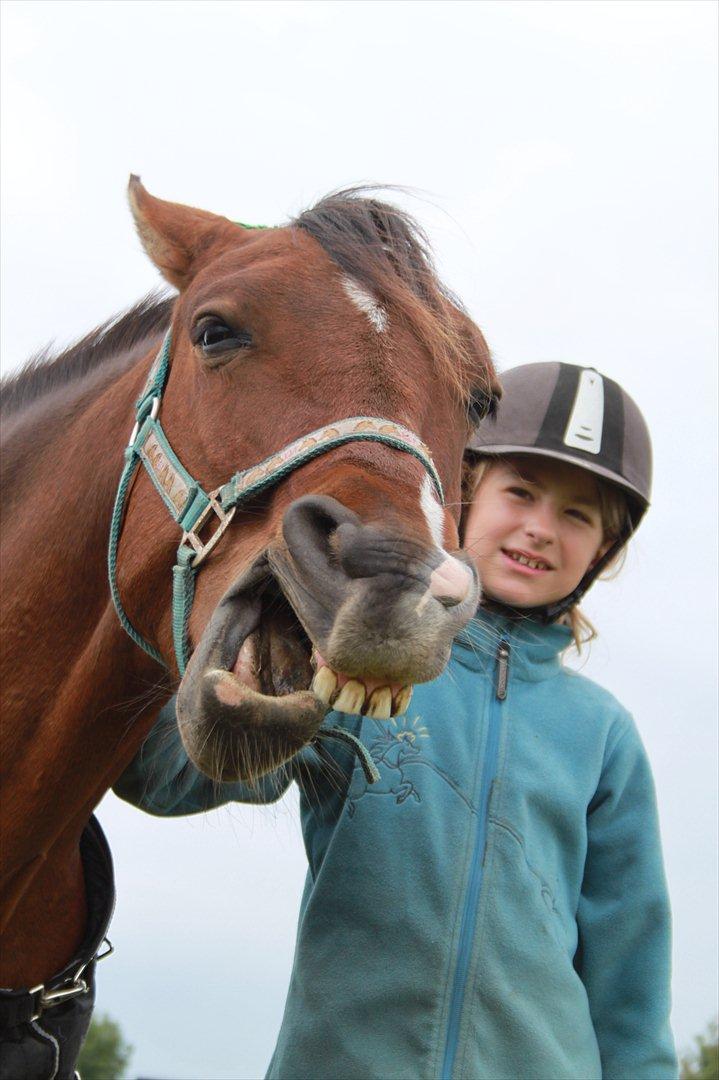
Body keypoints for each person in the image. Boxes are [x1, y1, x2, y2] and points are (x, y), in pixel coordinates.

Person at [114, 362, 677, 1079]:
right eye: (521, 492)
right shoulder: (350, 662)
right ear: (463, 489)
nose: (540, 529)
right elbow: (166, 780)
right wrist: (217, 663)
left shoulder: (602, 735)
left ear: (603, 550)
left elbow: (631, 982)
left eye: (577, 515)